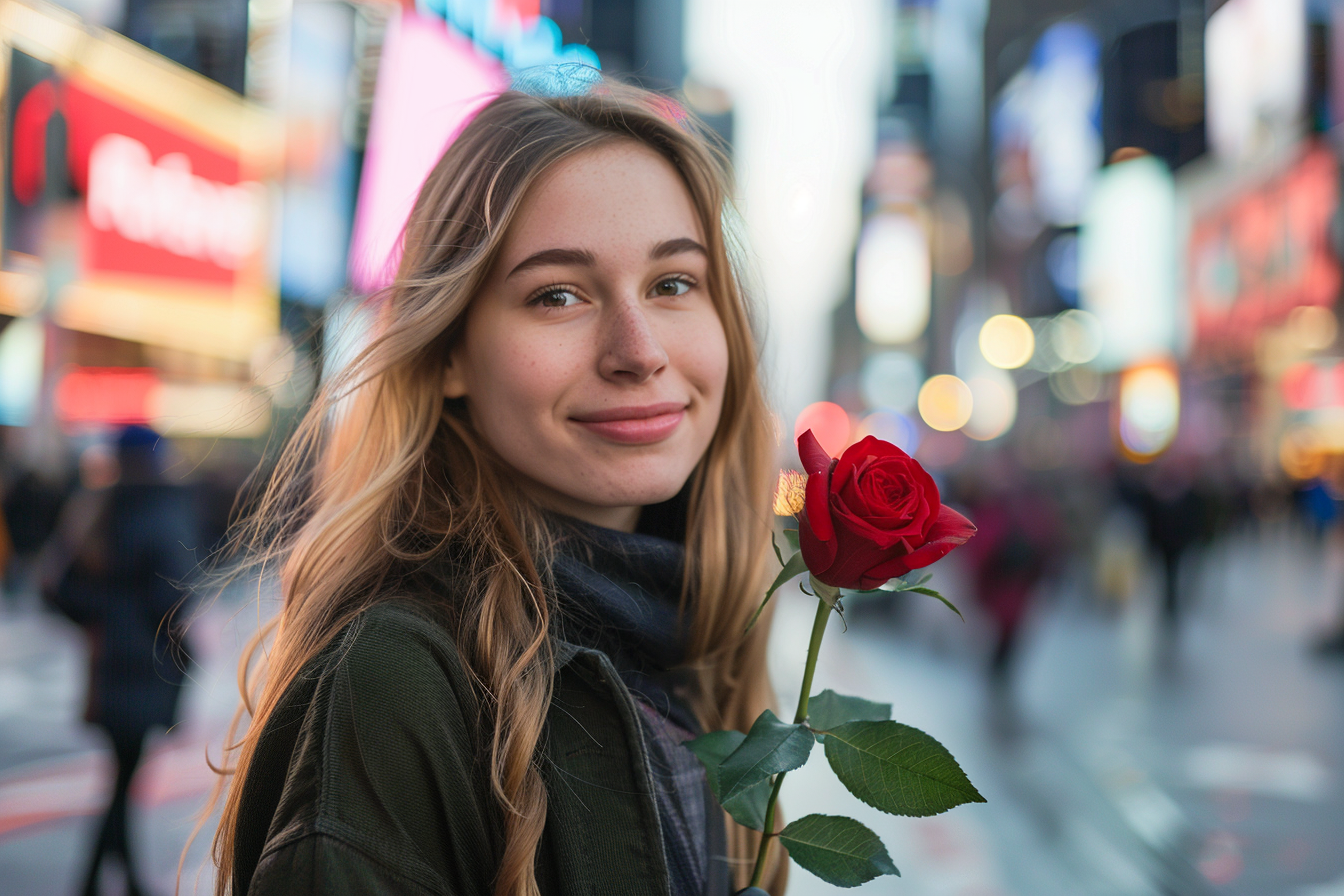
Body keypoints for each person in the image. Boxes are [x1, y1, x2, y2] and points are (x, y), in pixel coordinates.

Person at [206, 76, 783, 896]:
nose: (639, 349)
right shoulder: (394, 682)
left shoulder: (703, 649)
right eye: (558, 295)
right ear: (447, 353)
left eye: (673, 283)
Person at [43, 428, 198, 896]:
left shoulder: (95, 508)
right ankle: (105, 880)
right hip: (145, 666)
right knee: (125, 775)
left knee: (122, 773)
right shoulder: (161, 509)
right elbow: (173, 592)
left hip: (108, 665)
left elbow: (57, 588)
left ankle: (110, 878)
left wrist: (103, 618)